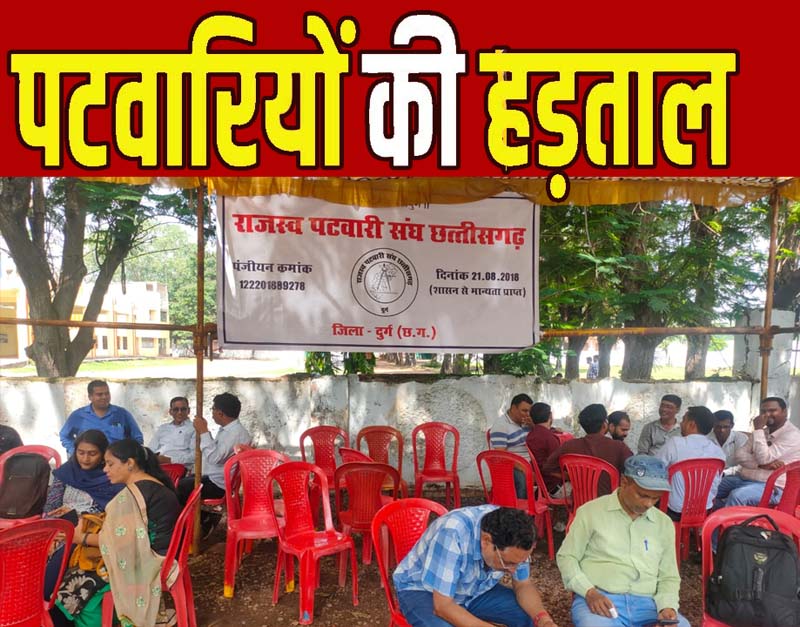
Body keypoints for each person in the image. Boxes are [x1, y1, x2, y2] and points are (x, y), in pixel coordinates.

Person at [51, 439, 179, 627]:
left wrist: (80, 537)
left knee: (74, 583)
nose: (105, 469)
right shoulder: (154, 485)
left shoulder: (134, 494)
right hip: (163, 553)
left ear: (130, 464)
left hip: (149, 562)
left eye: (110, 464)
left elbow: (119, 541)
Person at [556, 455, 689, 627]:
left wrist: (667, 607)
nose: (649, 504)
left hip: (649, 604)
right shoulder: (590, 512)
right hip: (601, 599)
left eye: (656, 498)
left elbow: (669, 575)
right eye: (642, 495)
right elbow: (567, 557)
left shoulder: (663, 523)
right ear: (624, 482)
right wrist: (589, 592)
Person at [393, 505, 559, 627]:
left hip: (473, 590)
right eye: (507, 563)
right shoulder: (452, 533)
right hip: (423, 590)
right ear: (486, 541)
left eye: (521, 562)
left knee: (528, 615)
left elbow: (523, 584)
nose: (514, 570)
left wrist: (543, 618)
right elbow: (442, 606)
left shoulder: (516, 535)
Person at [176, 392, 250, 533]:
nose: (212, 413)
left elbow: (214, 458)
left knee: (180, 488)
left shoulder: (235, 434)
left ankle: (186, 529)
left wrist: (204, 431)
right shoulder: (228, 430)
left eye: (213, 409)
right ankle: (203, 519)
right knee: (181, 482)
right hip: (214, 477)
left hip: (218, 484)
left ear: (220, 413)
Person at [715, 397, 800, 508]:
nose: (767, 414)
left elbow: (764, 458)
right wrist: (759, 465)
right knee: (711, 487)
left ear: (784, 412)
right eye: (763, 411)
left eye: (772, 410)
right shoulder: (762, 432)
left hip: (773, 487)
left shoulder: (792, 435)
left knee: (737, 496)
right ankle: (717, 515)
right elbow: (739, 455)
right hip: (744, 478)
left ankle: (730, 518)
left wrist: (758, 429)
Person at [544, 404, 632, 496]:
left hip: (579, 502)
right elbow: (634, 472)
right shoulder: (619, 447)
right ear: (604, 424)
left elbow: (547, 468)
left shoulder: (569, 445)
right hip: (608, 502)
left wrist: (572, 477)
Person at [656, 406, 726, 521]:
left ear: (691, 424)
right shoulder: (718, 452)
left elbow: (655, 466)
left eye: (683, 420)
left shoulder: (675, 443)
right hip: (704, 509)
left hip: (675, 510)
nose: (680, 423)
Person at [45, 429, 122, 520]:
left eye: (92, 454)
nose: (85, 459)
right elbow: (51, 505)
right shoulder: (67, 471)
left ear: (103, 454)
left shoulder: (112, 477)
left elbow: (113, 512)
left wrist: (76, 515)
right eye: (81, 453)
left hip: (96, 525)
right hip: (62, 523)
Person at [60, 380, 143, 455]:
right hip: (88, 462)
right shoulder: (78, 415)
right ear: (90, 397)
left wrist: (129, 454)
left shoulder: (122, 414)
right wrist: (75, 452)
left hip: (116, 461)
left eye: (107, 393)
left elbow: (137, 437)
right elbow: (64, 435)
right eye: (99, 394)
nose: (104, 397)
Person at [489, 393, 533, 498]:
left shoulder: (526, 422)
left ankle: (539, 502)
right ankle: (520, 507)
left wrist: (533, 425)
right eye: (524, 411)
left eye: (529, 411)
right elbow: (501, 455)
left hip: (529, 462)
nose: (527, 414)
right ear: (513, 408)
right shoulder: (501, 425)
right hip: (511, 465)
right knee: (522, 479)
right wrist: (522, 467)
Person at [525, 402, 562, 495]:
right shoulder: (550, 438)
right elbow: (558, 464)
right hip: (554, 486)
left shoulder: (530, 436)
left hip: (540, 483)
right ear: (550, 416)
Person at [148, 396, 196, 468]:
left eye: (183, 409)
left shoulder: (193, 428)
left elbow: (194, 457)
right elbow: (151, 449)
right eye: (176, 409)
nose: (179, 412)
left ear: (188, 411)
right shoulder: (162, 428)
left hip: (179, 468)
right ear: (171, 411)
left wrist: (169, 460)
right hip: (157, 466)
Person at [708, 409, 748, 474]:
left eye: (726, 427)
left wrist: (726, 472)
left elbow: (744, 464)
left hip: (735, 475)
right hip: (711, 474)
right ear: (713, 425)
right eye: (718, 427)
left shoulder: (741, 438)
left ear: (732, 425)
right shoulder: (706, 438)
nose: (722, 430)